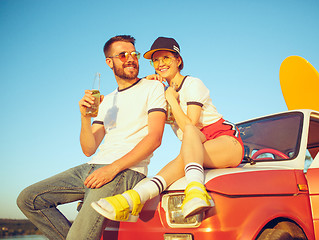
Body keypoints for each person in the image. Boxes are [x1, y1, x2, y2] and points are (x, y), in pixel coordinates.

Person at [16, 35, 166, 240]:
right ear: (109, 62)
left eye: (134, 54)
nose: (130, 58)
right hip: (93, 167)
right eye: (123, 55)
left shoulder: (152, 87)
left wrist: (113, 168)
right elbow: (89, 148)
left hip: (124, 170)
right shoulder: (106, 100)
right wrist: (84, 118)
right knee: (28, 199)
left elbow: (154, 139)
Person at [91, 37, 244, 221]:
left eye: (166, 58)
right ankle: (132, 199)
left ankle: (192, 191)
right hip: (194, 148)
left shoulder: (192, 83)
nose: (160, 64)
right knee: (184, 157)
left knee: (187, 145)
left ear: (178, 60)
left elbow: (191, 126)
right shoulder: (159, 90)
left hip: (225, 141)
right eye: (156, 60)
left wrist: (171, 98)